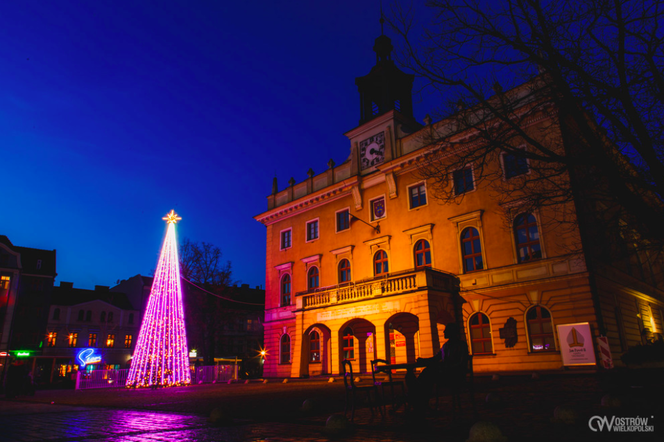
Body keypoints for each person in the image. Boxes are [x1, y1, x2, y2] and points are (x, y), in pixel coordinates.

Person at [406, 323, 469, 412]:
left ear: (452, 332)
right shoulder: (446, 346)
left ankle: (417, 399)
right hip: (446, 374)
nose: (444, 331)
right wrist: (424, 361)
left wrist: (446, 367)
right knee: (427, 373)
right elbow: (435, 358)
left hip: (454, 376)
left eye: (446, 330)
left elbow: (461, 364)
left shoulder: (461, 345)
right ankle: (419, 400)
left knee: (428, 374)